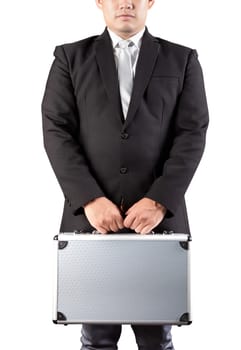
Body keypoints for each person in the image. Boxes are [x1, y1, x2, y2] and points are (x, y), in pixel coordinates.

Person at [41, 0, 209, 349]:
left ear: (150, 2)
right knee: (97, 337)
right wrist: (89, 198)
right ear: (100, 2)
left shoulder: (182, 59)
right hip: (91, 222)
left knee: (156, 339)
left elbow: (192, 133)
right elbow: (56, 129)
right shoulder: (70, 58)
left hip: (159, 224)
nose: (126, 3)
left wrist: (160, 200)